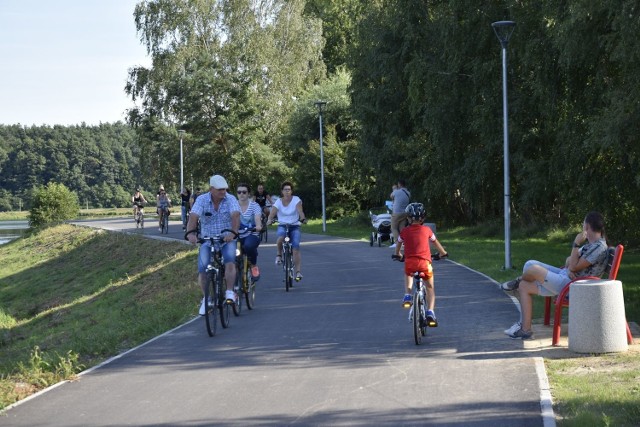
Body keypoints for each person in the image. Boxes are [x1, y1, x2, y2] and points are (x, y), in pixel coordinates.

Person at [501, 211, 609, 339]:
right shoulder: (591, 245)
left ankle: (517, 281)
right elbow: (569, 261)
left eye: (583, 224)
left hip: (573, 287)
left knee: (533, 269)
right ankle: (525, 329)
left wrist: (576, 244)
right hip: (567, 278)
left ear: (587, 227)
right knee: (527, 275)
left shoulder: (599, 247)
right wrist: (570, 269)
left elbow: (573, 265)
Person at [185, 175, 240, 315]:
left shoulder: (231, 199)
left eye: (225, 189)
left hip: (226, 239)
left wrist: (232, 233)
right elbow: (193, 217)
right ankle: (206, 298)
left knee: (229, 260)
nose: (223, 192)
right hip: (207, 239)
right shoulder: (202, 199)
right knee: (202, 268)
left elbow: (235, 216)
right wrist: (191, 234)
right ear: (211, 189)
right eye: (220, 189)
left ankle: (229, 291)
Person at [392, 202, 447, 326]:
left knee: (408, 273)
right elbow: (436, 243)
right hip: (425, 264)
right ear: (423, 218)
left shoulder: (405, 231)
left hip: (410, 263)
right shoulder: (427, 230)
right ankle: (430, 313)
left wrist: (398, 254)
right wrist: (443, 253)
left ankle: (407, 295)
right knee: (430, 288)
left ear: (408, 218)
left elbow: (398, 243)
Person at [266, 181, 307, 282]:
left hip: (294, 226)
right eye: (285, 190)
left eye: (289, 190)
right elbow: (272, 213)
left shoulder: (296, 200)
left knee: (296, 247)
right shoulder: (278, 202)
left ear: (291, 191)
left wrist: (302, 218)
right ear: (282, 191)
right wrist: (269, 220)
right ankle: (279, 255)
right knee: (280, 238)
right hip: (283, 225)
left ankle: (298, 272)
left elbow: (300, 211)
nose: (287, 191)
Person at [236, 183, 263, 280]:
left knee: (248, 246)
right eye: (239, 192)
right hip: (236, 235)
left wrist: (258, 225)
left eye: (244, 192)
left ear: (248, 194)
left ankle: (253, 266)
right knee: (230, 253)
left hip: (251, 234)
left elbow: (257, 217)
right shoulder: (233, 205)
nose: (241, 194)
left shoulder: (254, 206)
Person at [390, 180, 411, 249]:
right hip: (405, 213)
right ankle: (404, 243)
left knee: (394, 227)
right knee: (402, 228)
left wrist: (394, 189)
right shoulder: (408, 193)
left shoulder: (396, 191)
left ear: (399, 184)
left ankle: (397, 243)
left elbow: (391, 196)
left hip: (396, 212)